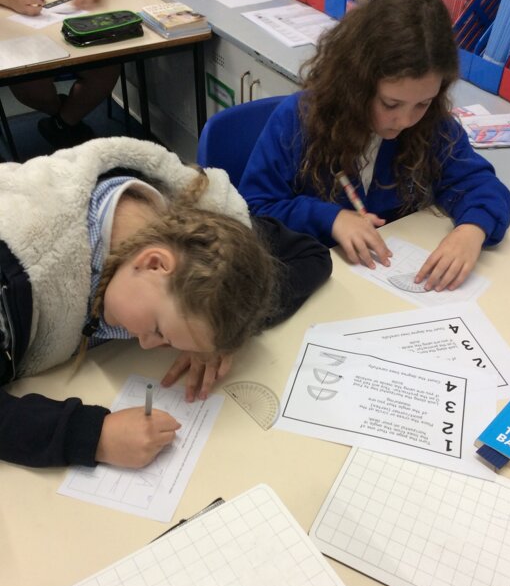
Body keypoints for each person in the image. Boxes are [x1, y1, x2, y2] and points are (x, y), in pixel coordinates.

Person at [0, 136, 332, 469]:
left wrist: (219, 330)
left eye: (166, 340)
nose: (146, 345)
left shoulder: (202, 234)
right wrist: (94, 436)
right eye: (158, 330)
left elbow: (310, 256)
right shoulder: (19, 269)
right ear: (154, 263)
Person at [239, 0, 510, 293]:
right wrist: (330, 218)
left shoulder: (432, 126)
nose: (406, 121)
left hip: (381, 284)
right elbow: (254, 210)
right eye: (391, 104)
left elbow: (480, 184)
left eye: (422, 103)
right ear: (357, 83)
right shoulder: (299, 120)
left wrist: (472, 230)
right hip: (314, 283)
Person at [0, 0, 120, 148]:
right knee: (29, 85)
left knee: (107, 68)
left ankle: (62, 123)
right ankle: (66, 118)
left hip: (76, 11)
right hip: (21, 14)